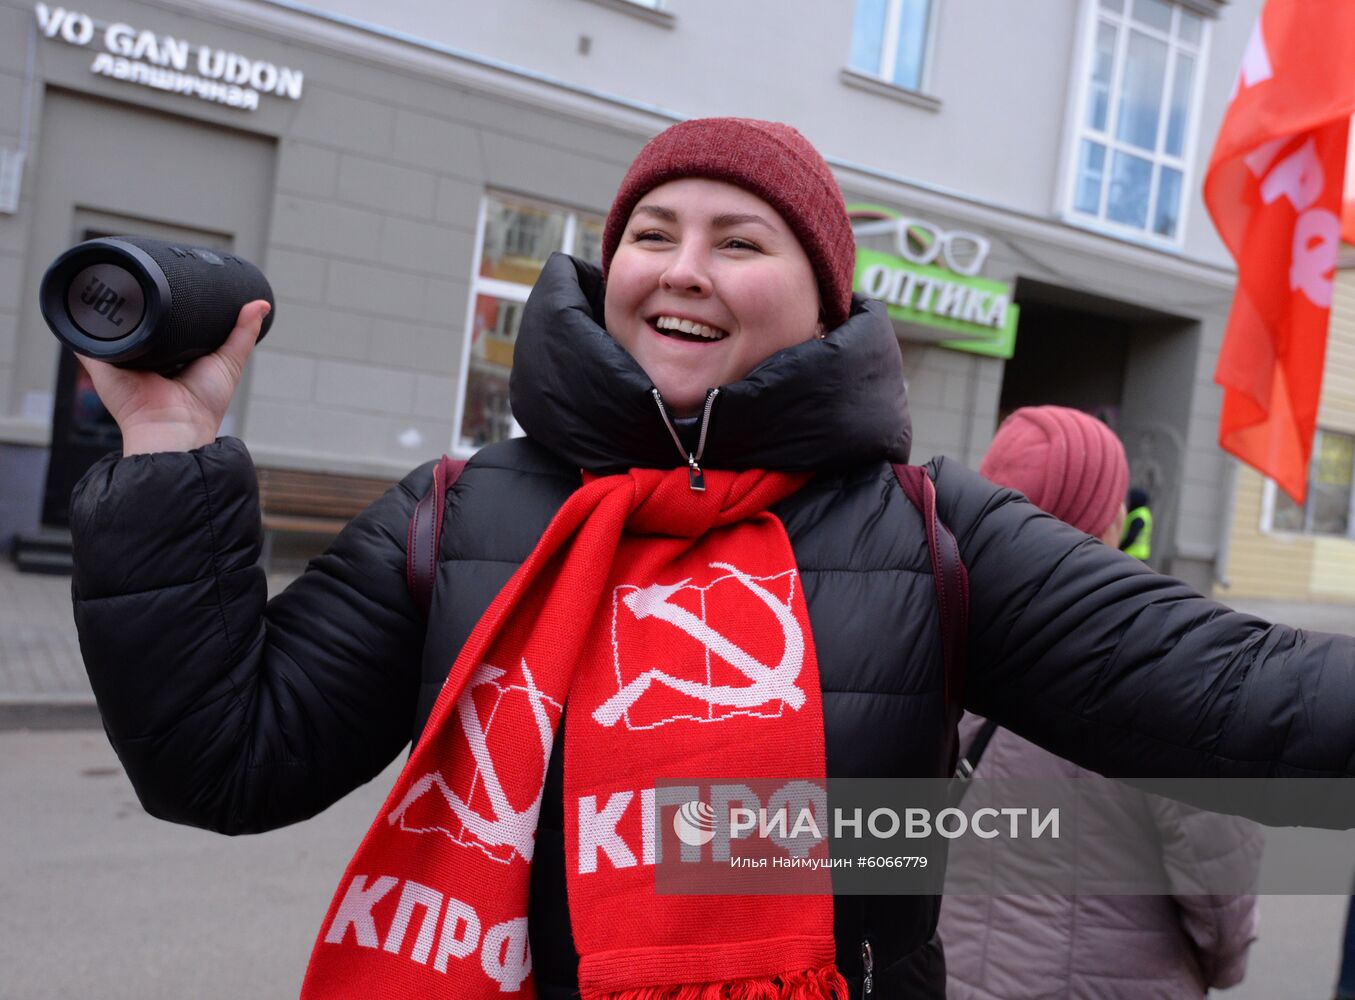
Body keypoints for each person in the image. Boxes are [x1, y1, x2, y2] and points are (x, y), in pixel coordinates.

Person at [67, 118, 1355, 1000]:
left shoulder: (927, 529)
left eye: (741, 242)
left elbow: (1239, 699)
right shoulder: (458, 511)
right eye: (651, 232)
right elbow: (220, 763)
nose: (683, 270)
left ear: (822, 299)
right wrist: (171, 458)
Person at [937, 406, 1261, 999]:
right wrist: (1221, 968)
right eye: (1110, 500)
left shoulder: (925, 631)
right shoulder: (1166, 665)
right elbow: (1220, 892)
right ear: (1094, 524)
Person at [1119, 485, 1153, 560]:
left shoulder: (1139, 515)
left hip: (1134, 555)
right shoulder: (1142, 513)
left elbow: (1131, 537)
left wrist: (1119, 549)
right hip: (1138, 555)